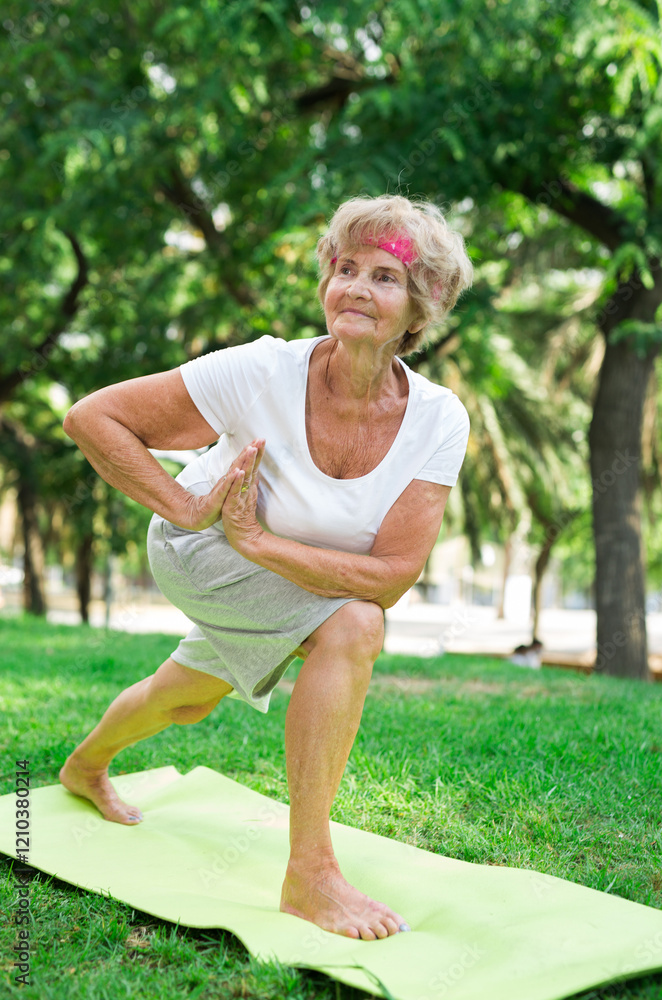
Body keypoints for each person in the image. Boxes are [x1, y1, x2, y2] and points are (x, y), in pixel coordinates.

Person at [59, 194, 473, 941]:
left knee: (186, 700)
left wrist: (263, 546)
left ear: (422, 307)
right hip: (201, 549)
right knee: (353, 627)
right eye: (344, 269)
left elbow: (392, 573)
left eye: (384, 277)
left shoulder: (439, 418)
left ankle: (84, 768)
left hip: (275, 566)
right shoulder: (262, 369)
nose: (354, 287)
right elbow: (93, 417)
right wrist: (189, 509)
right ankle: (309, 874)